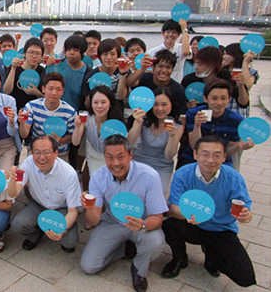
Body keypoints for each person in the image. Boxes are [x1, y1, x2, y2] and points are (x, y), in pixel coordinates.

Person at [161, 136, 256, 287]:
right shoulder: (183, 174)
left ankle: (212, 256)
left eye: (217, 155)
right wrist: (187, 215)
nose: (210, 160)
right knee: (169, 225)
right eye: (205, 154)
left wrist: (246, 215)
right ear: (195, 154)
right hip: (193, 224)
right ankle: (179, 258)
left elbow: (245, 208)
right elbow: (174, 207)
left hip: (221, 230)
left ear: (224, 157)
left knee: (245, 278)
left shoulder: (233, 177)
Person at [80, 135, 168, 292]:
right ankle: (124, 249)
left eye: (121, 157)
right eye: (110, 157)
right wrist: (90, 207)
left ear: (131, 155)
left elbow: (158, 218)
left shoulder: (149, 176)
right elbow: (94, 220)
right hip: (112, 222)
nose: (115, 163)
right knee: (88, 266)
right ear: (104, 157)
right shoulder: (98, 177)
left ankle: (139, 268)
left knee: (156, 242)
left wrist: (143, 225)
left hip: (141, 223)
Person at [8, 136, 82, 253]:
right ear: (32, 153)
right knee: (18, 224)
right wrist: (13, 179)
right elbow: (13, 193)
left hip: (61, 208)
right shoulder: (28, 163)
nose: (41, 157)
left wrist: (62, 230)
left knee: (69, 242)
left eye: (46, 152)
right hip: (38, 204)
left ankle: (65, 232)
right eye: (37, 152)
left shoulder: (69, 174)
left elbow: (73, 211)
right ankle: (36, 234)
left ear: (56, 153)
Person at [177, 78, 254, 169]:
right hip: (192, 161)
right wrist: (197, 126)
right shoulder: (194, 114)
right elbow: (194, 146)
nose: (219, 103)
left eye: (223, 98)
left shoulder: (236, 120)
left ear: (229, 99)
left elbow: (227, 152)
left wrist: (239, 146)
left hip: (220, 164)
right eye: (214, 98)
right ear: (205, 98)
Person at [127, 87, 184, 194]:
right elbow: (129, 142)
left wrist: (172, 136)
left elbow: (169, 156)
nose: (160, 108)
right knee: (133, 192)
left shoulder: (177, 126)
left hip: (162, 165)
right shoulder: (144, 120)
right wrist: (137, 122)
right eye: (155, 104)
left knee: (155, 195)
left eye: (164, 104)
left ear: (171, 104)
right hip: (140, 160)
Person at [19, 72, 76, 161]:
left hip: (60, 153)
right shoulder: (32, 106)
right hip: (36, 151)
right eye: (50, 88)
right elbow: (24, 134)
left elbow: (73, 136)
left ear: (62, 91)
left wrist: (62, 141)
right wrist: (22, 123)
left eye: (58, 89)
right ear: (43, 89)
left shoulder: (70, 111)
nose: (54, 93)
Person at [72, 85, 124, 175]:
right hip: (93, 158)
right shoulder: (87, 118)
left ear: (110, 103)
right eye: (95, 102)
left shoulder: (116, 122)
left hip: (112, 161)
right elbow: (75, 142)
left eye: (103, 102)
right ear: (91, 104)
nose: (99, 106)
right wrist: (77, 126)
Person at [126, 49, 187, 114]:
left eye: (168, 67)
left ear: (172, 70)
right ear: (153, 67)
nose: (164, 70)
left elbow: (181, 114)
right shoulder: (145, 77)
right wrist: (142, 69)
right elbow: (130, 83)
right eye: (160, 66)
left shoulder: (178, 89)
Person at [81, 38, 128, 110]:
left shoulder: (123, 71)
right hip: (98, 115)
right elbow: (87, 104)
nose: (109, 58)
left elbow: (121, 96)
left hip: (117, 115)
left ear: (118, 56)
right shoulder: (91, 76)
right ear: (100, 56)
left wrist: (122, 74)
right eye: (105, 54)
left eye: (112, 54)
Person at [46, 35, 87, 111]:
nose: (71, 53)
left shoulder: (88, 73)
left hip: (75, 115)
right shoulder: (56, 66)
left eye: (76, 50)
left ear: (82, 52)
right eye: (68, 49)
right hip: (53, 112)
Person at [3, 37, 45, 110]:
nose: (34, 56)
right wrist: (13, 68)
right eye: (31, 52)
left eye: (38, 53)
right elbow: (6, 91)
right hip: (15, 109)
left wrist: (36, 92)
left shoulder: (42, 71)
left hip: (35, 111)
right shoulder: (14, 67)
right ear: (25, 53)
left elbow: (46, 98)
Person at [146, 19, 191, 83]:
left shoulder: (181, 48)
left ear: (178, 35)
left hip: (176, 85)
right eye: (168, 32)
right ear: (162, 33)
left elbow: (186, 52)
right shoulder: (152, 52)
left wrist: (184, 29)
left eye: (174, 32)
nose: (170, 35)